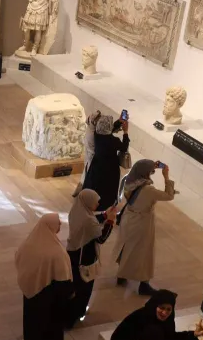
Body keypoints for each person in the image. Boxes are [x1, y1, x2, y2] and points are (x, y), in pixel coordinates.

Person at [108, 159, 175, 296]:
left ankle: (122, 275)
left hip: (128, 218)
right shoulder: (148, 189)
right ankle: (144, 284)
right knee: (144, 252)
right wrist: (166, 176)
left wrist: (150, 165)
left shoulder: (129, 180)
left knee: (126, 247)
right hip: (142, 222)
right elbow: (169, 196)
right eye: (150, 171)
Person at [15, 214, 73, 340]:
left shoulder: (28, 243)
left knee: (32, 319)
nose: (60, 226)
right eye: (58, 223)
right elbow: (63, 276)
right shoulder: (56, 251)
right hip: (49, 292)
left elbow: (18, 260)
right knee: (50, 320)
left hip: (31, 288)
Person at [66, 189, 115, 324]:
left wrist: (104, 215)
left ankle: (69, 313)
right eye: (95, 202)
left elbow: (92, 219)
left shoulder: (76, 211)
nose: (97, 205)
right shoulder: (88, 221)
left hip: (73, 252)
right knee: (84, 287)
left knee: (74, 285)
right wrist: (110, 221)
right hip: (85, 257)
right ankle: (76, 315)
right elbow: (101, 238)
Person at [110, 290, 203, 340]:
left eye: (168, 309)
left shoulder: (168, 321)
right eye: (161, 308)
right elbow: (117, 339)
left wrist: (193, 334)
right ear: (155, 305)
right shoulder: (139, 316)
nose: (164, 313)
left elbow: (170, 338)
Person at [81, 112, 130, 211]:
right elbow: (124, 147)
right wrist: (125, 132)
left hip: (97, 166)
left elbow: (107, 130)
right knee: (107, 189)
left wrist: (118, 122)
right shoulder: (113, 141)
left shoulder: (97, 134)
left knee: (95, 185)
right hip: (110, 169)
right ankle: (103, 208)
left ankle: (89, 203)